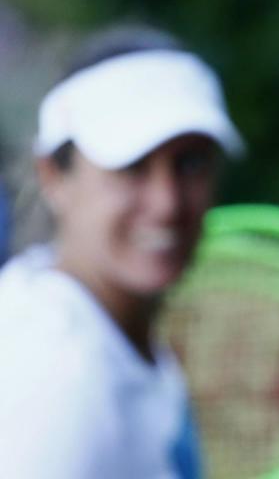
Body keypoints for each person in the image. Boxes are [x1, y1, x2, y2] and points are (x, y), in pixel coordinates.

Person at [0, 25, 244, 478]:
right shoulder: (59, 383)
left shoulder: (106, 328)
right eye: (131, 165)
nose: (167, 202)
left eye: (191, 162)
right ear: (54, 176)